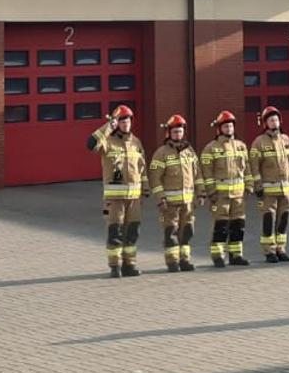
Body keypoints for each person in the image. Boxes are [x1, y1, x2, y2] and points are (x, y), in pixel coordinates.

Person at [86, 105, 146, 278]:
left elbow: (142, 169)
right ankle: (115, 265)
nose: (125, 123)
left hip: (134, 198)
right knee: (116, 231)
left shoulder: (136, 143)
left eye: (127, 120)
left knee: (132, 231)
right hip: (115, 199)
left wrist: (145, 190)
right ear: (116, 123)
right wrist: (107, 127)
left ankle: (130, 265)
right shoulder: (108, 142)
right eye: (121, 120)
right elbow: (90, 144)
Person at [197, 110, 251, 267]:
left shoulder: (241, 146)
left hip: (239, 195)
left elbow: (246, 168)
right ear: (219, 129)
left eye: (231, 126)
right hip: (220, 195)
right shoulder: (210, 149)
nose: (229, 129)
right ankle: (218, 256)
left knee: (238, 225)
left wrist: (249, 186)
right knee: (221, 226)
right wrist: (211, 192)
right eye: (226, 126)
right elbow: (206, 172)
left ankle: (236, 255)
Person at [248, 105, 289, 263]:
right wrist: (257, 186)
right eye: (271, 120)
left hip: (286, 189)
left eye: (276, 119)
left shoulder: (285, 140)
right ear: (265, 123)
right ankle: (269, 251)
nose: (274, 122)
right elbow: (254, 166)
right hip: (268, 190)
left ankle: (281, 249)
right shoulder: (259, 142)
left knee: (284, 219)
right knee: (269, 220)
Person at [148, 114, 198, 273]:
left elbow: (198, 175)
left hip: (187, 202)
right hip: (169, 203)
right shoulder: (161, 153)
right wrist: (160, 198)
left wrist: (201, 193)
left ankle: (185, 260)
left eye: (180, 131)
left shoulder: (189, 152)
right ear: (169, 133)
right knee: (171, 231)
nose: (178, 134)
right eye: (175, 131)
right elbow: (155, 178)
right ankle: (172, 262)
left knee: (187, 231)